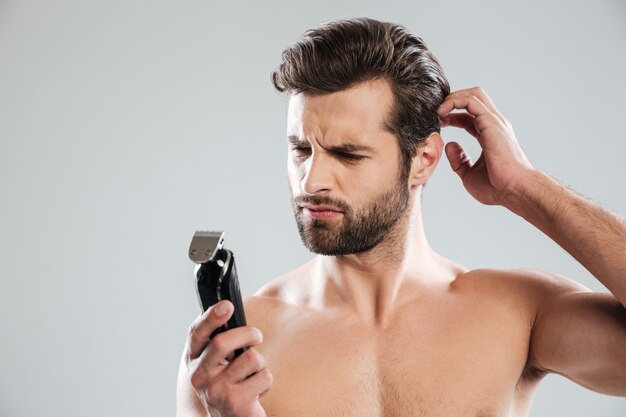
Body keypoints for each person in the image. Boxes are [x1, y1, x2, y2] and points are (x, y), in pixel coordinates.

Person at [176, 17, 626, 417]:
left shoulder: (518, 314)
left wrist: (525, 187)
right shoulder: (237, 349)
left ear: (424, 159)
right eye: (300, 149)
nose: (311, 180)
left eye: (347, 154)